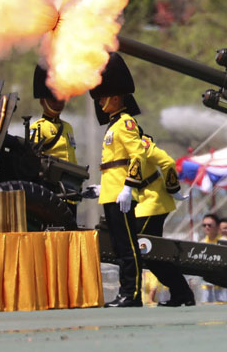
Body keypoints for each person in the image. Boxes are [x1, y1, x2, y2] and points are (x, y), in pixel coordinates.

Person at [88, 52, 146, 307]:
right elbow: (115, 164)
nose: (100, 101)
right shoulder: (113, 126)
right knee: (120, 247)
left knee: (128, 247)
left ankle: (131, 294)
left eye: (104, 96)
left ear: (115, 96)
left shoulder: (125, 124)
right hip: (111, 192)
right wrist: (103, 186)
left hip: (122, 194)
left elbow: (139, 155)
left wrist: (128, 187)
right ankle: (125, 292)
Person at [134, 133, 195, 307]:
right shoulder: (122, 139)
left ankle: (182, 292)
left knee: (146, 252)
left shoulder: (139, 140)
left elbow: (167, 162)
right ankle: (181, 293)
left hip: (153, 203)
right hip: (142, 204)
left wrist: (173, 187)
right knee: (151, 255)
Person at [30, 64, 77, 163]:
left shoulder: (68, 127)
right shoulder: (38, 127)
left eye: (61, 99)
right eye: (53, 100)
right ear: (42, 101)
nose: (58, 103)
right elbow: (32, 159)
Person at [199, 213, 227, 303]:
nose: (207, 227)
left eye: (209, 225)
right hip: (206, 286)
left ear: (217, 227)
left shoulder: (224, 242)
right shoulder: (201, 244)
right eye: (204, 225)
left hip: (223, 285)